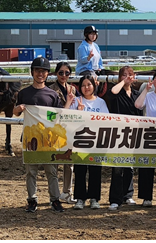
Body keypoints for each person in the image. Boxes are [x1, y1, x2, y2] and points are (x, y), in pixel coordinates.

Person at [13, 57, 65, 213]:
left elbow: (57, 117)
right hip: (30, 138)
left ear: (47, 74)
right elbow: (14, 112)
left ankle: (55, 199)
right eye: (37, 70)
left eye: (43, 71)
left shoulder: (52, 95)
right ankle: (32, 199)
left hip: (48, 140)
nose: (40, 74)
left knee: (52, 171)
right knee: (31, 171)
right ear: (33, 72)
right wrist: (19, 108)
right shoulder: (24, 93)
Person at [65, 73, 108, 210]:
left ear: (94, 85)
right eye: (83, 85)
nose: (86, 87)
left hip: (96, 141)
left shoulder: (100, 102)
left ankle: (94, 198)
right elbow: (65, 117)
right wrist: (78, 112)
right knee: (80, 170)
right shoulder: (76, 101)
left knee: (95, 170)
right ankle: (80, 198)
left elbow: (106, 120)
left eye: (89, 84)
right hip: (80, 141)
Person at [106, 66, 142, 211]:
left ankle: (128, 195)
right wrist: (123, 82)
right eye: (124, 75)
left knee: (129, 167)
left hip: (132, 133)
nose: (127, 77)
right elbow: (112, 92)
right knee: (117, 167)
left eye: (130, 75)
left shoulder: (136, 94)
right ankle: (115, 199)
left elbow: (139, 108)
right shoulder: (117, 92)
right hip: (118, 133)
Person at [134, 69, 156, 207]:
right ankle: (146, 197)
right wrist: (146, 90)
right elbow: (138, 105)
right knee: (147, 166)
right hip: (150, 133)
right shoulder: (148, 96)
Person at [48, 62, 79, 205]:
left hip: (70, 129)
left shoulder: (73, 89)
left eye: (67, 73)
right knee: (54, 162)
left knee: (69, 161)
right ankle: (54, 193)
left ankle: (67, 192)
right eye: (61, 73)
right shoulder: (50, 90)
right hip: (55, 129)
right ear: (55, 74)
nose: (64, 76)